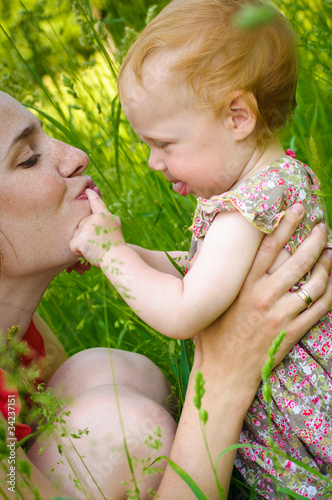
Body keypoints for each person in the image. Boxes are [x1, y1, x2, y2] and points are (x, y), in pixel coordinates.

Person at [0, 91, 331, 500]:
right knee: (128, 431)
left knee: (105, 374)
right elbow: (182, 313)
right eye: (28, 158)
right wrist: (225, 372)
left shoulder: (18, 335)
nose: (77, 155)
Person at [69, 0, 332, 497]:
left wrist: (111, 256)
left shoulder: (246, 207)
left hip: (302, 413)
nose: (152, 162)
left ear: (238, 116)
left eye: (164, 144)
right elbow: (200, 273)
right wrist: (128, 251)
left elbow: (184, 311)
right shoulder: (270, 184)